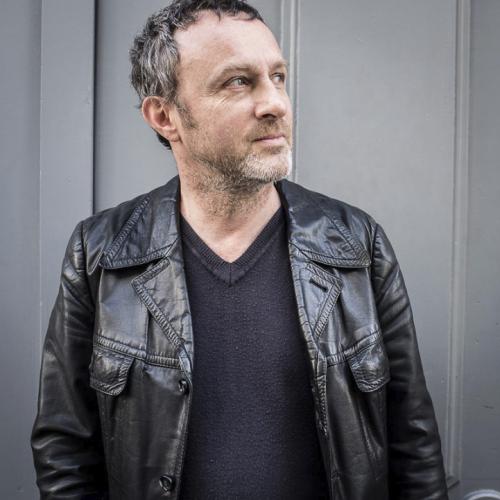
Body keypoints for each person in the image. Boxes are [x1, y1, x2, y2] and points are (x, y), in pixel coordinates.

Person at [31, 1, 448, 498]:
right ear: (164, 115)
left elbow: (413, 444)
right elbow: (65, 450)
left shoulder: (357, 245)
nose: (276, 104)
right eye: (238, 82)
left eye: (278, 77)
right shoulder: (101, 254)